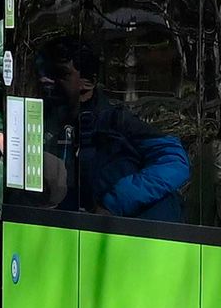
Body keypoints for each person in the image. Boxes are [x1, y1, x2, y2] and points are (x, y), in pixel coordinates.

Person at [42, 36, 189, 217]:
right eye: (47, 73)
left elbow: (175, 161)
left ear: (88, 82)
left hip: (133, 232)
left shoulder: (116, 120)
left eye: (62, 74)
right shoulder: (50, 121)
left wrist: (115, 202)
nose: (48, 81)